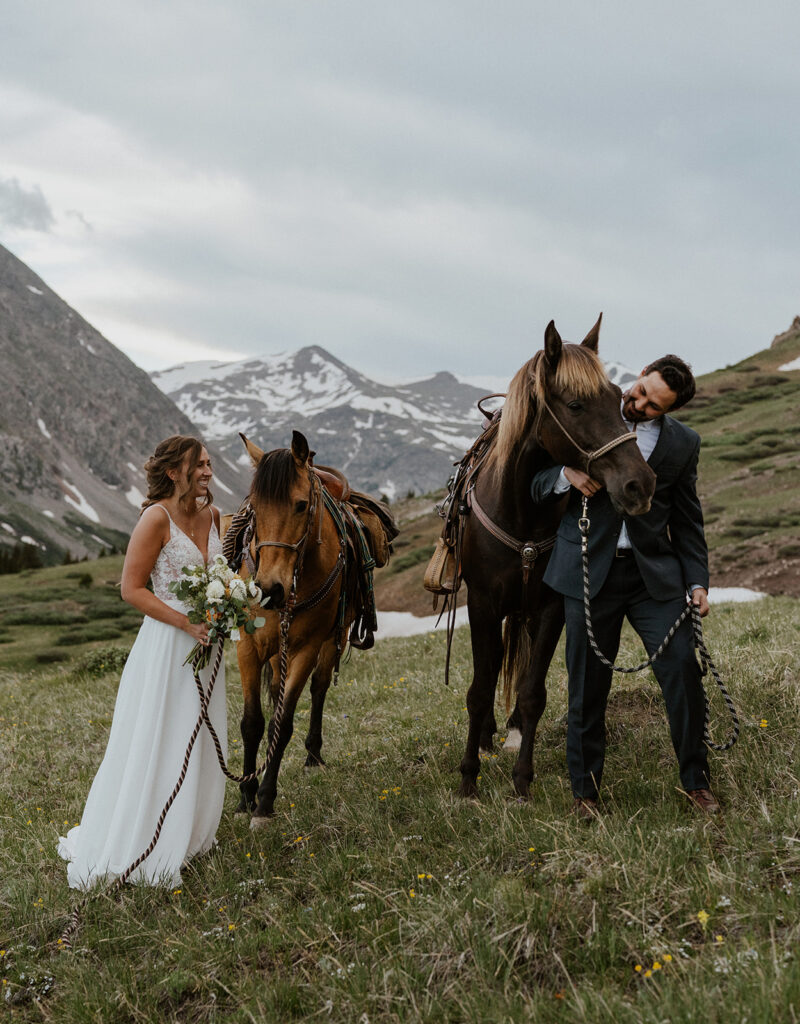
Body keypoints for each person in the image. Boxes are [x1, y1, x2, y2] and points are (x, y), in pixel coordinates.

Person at [531, 355, 718, 817]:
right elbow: (531, 481)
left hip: (653, 577)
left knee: (682, 673)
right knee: (586, 687)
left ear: (668, 410)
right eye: (639, 390)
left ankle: (696, 782)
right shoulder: (589, 407)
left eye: (652, 406)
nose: (637, 403)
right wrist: (564, 476)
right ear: (638, 376)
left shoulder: (683, 444)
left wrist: (697, 581)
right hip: (587, 573)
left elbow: (688, 519)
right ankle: (585, 794)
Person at [58, 435, 228, 887]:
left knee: (201, 740)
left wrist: (231, 605)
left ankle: (189, 834)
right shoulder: (155, 519)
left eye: (210, 464)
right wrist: (186, 623)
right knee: (160, 738)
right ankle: (142, 839)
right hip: (167, 649)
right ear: (175, 472)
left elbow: (224, 573)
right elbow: (132, 589)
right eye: (201, 465)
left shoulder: (213, 515)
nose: (209, 472)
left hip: (208, 648)